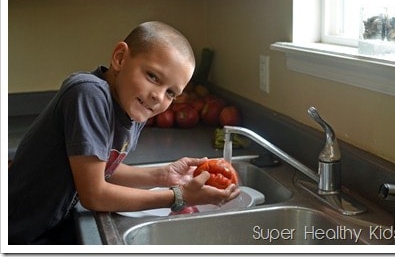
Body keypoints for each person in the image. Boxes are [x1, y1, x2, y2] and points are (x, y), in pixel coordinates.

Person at [8, 21, 240, 245]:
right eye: (152, 76)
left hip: (47, 230)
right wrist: (178, 196)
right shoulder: (89, 94)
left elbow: (103, 168)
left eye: (171, 93)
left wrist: (163, 175)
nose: (158, 97)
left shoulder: (132, 106)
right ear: (120, 58)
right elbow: (94, 194)